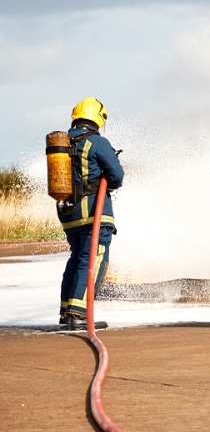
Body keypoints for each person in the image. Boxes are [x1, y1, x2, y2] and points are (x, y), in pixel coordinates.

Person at [55, 98, 124, 330]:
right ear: (98, 118)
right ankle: (79, 313)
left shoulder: (65, 142)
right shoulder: (96, 141)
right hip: (93, 214)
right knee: (94, 258)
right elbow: (117, 176)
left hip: (68, 214)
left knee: (77, 258)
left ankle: (67, 311)